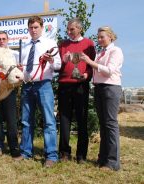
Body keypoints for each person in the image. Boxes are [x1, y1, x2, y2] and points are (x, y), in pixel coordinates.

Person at [80, 26, 123, 171]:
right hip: (99, 88)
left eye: (102, 37)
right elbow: (98, 71)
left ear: (110, 36)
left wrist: (90, 62)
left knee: (110, 124)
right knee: (103, 125)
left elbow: (109, 71)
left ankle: (112, 162)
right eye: (98, 37)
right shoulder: (100, 53)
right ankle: (103, 158)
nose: (99, 40)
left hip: (111, 88)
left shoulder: (116, 51)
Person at [20, 16, 61, 167]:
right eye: (31, 27)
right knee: (25, 121)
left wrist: (51, 60)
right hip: (27, 85)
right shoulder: (24, 45)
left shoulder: (50, 44)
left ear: (42, 28)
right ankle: (25, 152)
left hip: (44, 85)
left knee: (49, 121)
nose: (33, 30)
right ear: (28, 29)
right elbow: (23, 66)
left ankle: (51, 155)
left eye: (36, 27)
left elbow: (58, 66)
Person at [57, 18, 96, 164]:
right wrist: (64, 61)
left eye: (71, 29)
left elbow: (93, 65)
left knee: (82, 119)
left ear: (80, 28)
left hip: (81, 85)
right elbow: (57, 65)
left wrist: (87, 75)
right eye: (67, 29)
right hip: (64, 85)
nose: (68, 31)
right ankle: (64, 153)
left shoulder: (89, 43)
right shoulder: (63, 44)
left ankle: (81, 155)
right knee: (65, 119)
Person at [0, 31, 22, 160]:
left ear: (8, 40)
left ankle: (14, 147)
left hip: (9, 91)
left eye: (3, 39)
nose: (1, 41)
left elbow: (19, 72)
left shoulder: (14, 55)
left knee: (11, 121)